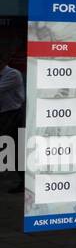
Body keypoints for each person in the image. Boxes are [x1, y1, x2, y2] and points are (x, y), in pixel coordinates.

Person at [0, 51, 24, 194]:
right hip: (5, 114)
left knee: (14, 149)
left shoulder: (12, 74)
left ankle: (24, 181)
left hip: (13, 115)